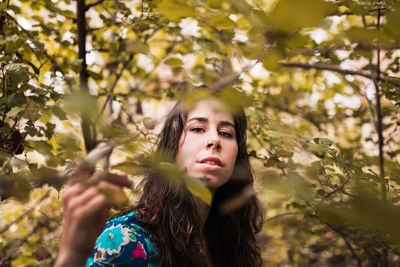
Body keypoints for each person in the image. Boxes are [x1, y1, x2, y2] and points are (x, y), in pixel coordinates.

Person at [55, 97, 264, 267]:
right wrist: (72, 257)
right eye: (197, 129)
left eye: (226, 133)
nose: (215, 140)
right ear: (173, 147)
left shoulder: (227, 243)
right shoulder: (129, 239)